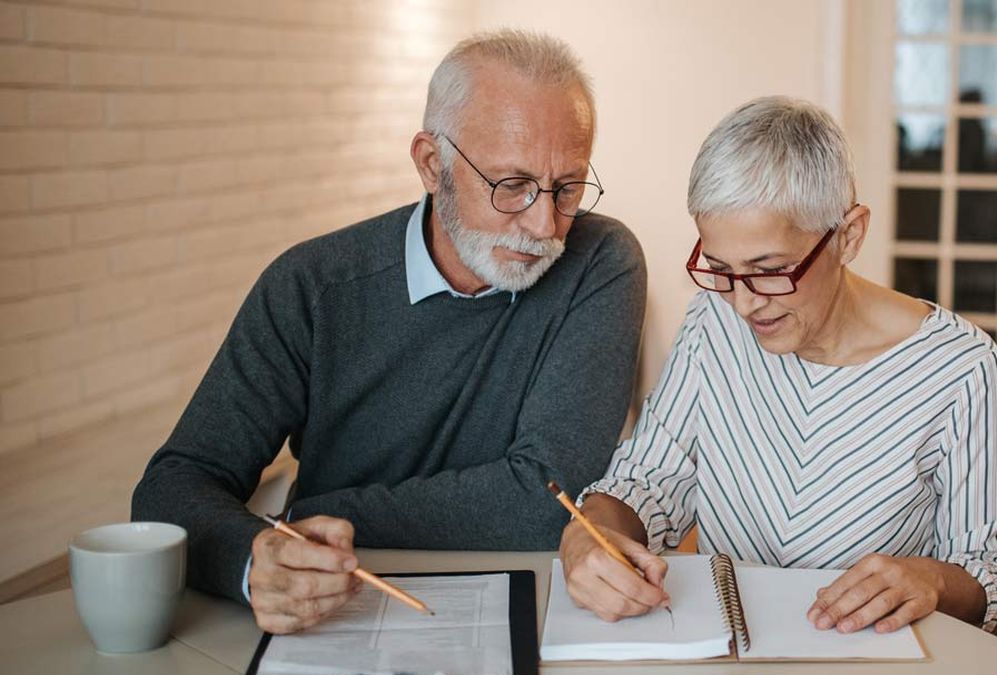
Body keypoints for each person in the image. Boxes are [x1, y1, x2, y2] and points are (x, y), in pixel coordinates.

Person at [132, 30, 646, 634]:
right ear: (433, 164)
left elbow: (549, 500)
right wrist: (256, 559)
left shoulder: (600, 261)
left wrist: (317, 512)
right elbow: (172, 488)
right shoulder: (311, 286)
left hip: (532, 609)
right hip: (334, 615)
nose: (544, 224)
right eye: (512, 185)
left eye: (567, 188)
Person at [559, 97, 997, 634]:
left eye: (769, 270)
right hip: (730, 655)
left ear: (848, 236)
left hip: (875, 667)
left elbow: (988, 573)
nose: (744, 303)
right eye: (720, 269)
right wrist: (589, 528)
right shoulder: (714, 322)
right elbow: (648, 480)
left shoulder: (962, 372)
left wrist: (933, 581)